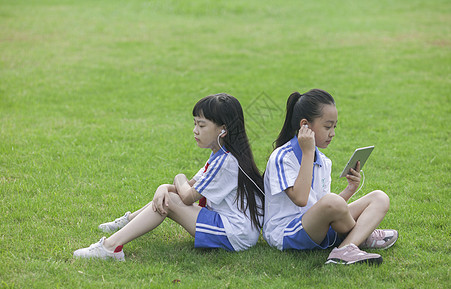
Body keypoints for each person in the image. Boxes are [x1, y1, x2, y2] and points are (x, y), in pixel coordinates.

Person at [74, 93, 265, 260]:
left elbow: (188, 195)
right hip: (232, 227)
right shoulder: (221, 154)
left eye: (201, 125)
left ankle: (110, 247)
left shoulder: (226, 161)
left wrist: (176, 177)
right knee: (168, 197)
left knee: (169, 201)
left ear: (223, 129)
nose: (195, 130)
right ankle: (128, 222)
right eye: (194, 124)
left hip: (234, 234)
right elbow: (190, 186)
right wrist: (164, 187)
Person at [263, 89, 398, 265]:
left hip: (318, 227)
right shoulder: (282, 157)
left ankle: (346, 248)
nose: (332, 133)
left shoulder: (324, 161)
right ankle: (361, 235)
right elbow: (301, 199)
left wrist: (349, 190)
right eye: (327, 127)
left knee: (380, 197)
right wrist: (308, 152)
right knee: (332, 201)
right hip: (286, 233)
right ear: (305, 125)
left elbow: (324, 207)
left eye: (335, 127)